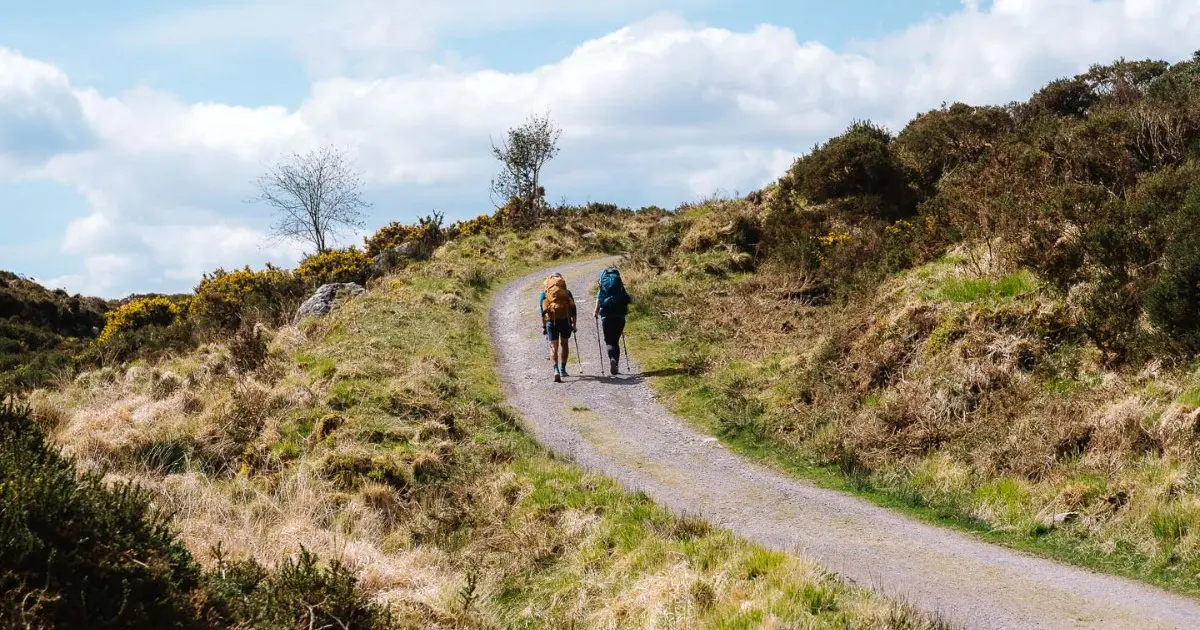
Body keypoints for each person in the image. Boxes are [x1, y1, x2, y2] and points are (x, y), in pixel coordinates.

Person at [539, 272, 577, 383]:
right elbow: (573, 309)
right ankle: (563, 369)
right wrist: (574, 324)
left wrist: (544, 326)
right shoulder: (567, 293)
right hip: (565, 321)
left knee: (553, 346)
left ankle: (555, 370)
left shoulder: (545, 294)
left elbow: (543, 311)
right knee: (564, 344)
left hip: (551, 322)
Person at [593, 266, 631, 375]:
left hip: (607, 317)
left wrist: (595, 313)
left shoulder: (602, 288)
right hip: (620, 317)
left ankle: (612, 359)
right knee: (616, 341)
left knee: (609, 341)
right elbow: (626, 299)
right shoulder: (619, 286)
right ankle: (616, 364)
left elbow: (598, 301)